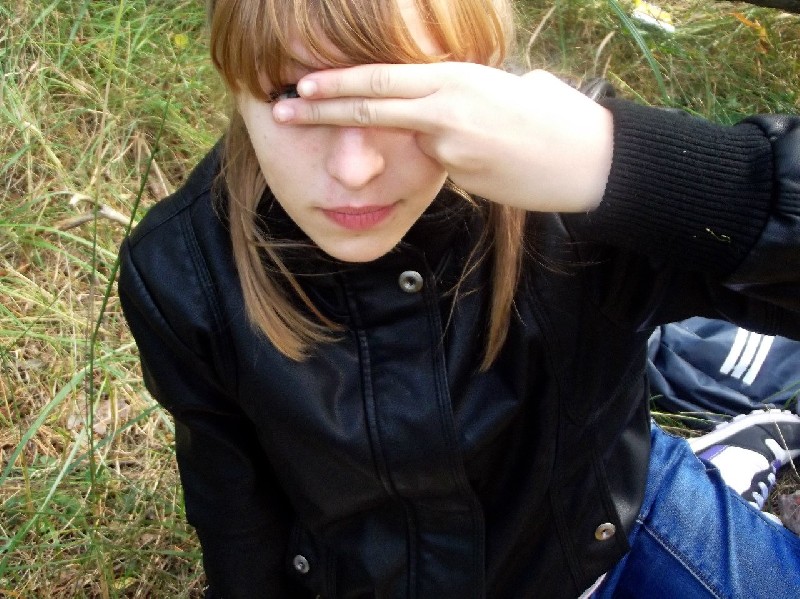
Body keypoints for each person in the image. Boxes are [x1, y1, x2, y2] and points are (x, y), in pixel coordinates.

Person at [118, 0, 800, 596]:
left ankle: (720, 458)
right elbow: (236, 513)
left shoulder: (570, 196)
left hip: (612, 534)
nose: (355, 169)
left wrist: (626, 167)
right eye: (294, 94)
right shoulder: (182, 273)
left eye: (408, 97)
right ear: (233, 82)